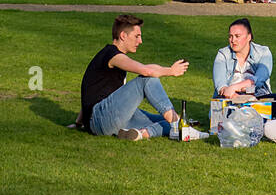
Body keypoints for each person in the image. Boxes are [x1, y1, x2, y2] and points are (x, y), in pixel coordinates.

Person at [79, 13, 200, 141]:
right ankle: (177, 124)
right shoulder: (112, 55)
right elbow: (146, 72)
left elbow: (90, 89)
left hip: (105, 120)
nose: (140, 41)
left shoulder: (110, 56)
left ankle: (143, 133)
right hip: (102, 118)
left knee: (165, 120)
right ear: (123, 36)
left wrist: (79, 121)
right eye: (137, 36)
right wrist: (171, 71)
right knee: (147, 79)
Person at [212, 17, 276, 117]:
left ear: (249, 37)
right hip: (231, 99)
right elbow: (221, 85)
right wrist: (235, 95)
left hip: (256, 97)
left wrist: (236, 87)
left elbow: (260, 79)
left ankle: (244, 114)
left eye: (237, 36)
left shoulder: (263, 52)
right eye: (230, 36)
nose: (233, 40)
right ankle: (249, 115)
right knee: (222, 108)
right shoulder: (223, 54)